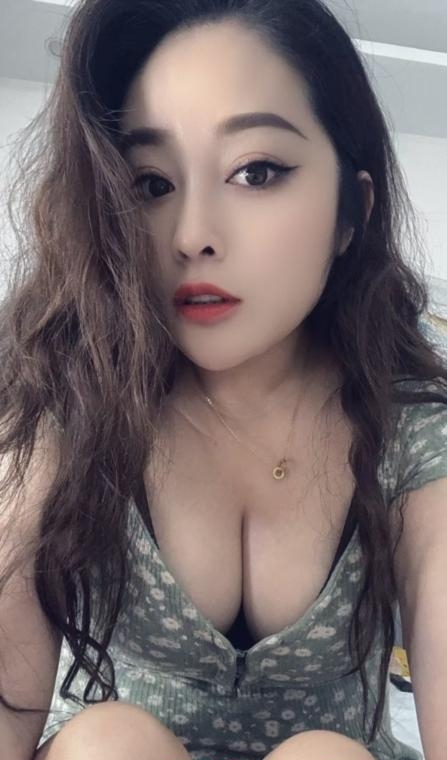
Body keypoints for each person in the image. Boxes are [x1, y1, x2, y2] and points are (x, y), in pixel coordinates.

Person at [0, 1, 446, 759]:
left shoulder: (409, 423)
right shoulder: (68, 392)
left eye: (256, 171)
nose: (192, 235)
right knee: (110, 743)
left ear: (353, 212)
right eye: (150, 183)